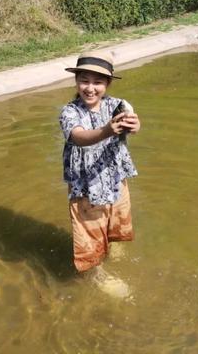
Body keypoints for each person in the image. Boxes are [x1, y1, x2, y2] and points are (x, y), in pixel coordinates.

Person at [58, 52, 141, 297]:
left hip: (115, 177)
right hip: (87, 187)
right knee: (89, 231)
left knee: (117, 217)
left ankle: (112, 244)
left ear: (108, 84)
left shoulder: (117, 105)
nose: (90, 88)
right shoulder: (69, 112)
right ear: (76, 82)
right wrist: (106, 130)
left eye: (98, 82)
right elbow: (78, 137)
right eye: (84, 80)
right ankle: (96, 274)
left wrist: (136, 126)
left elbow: (134, 125)